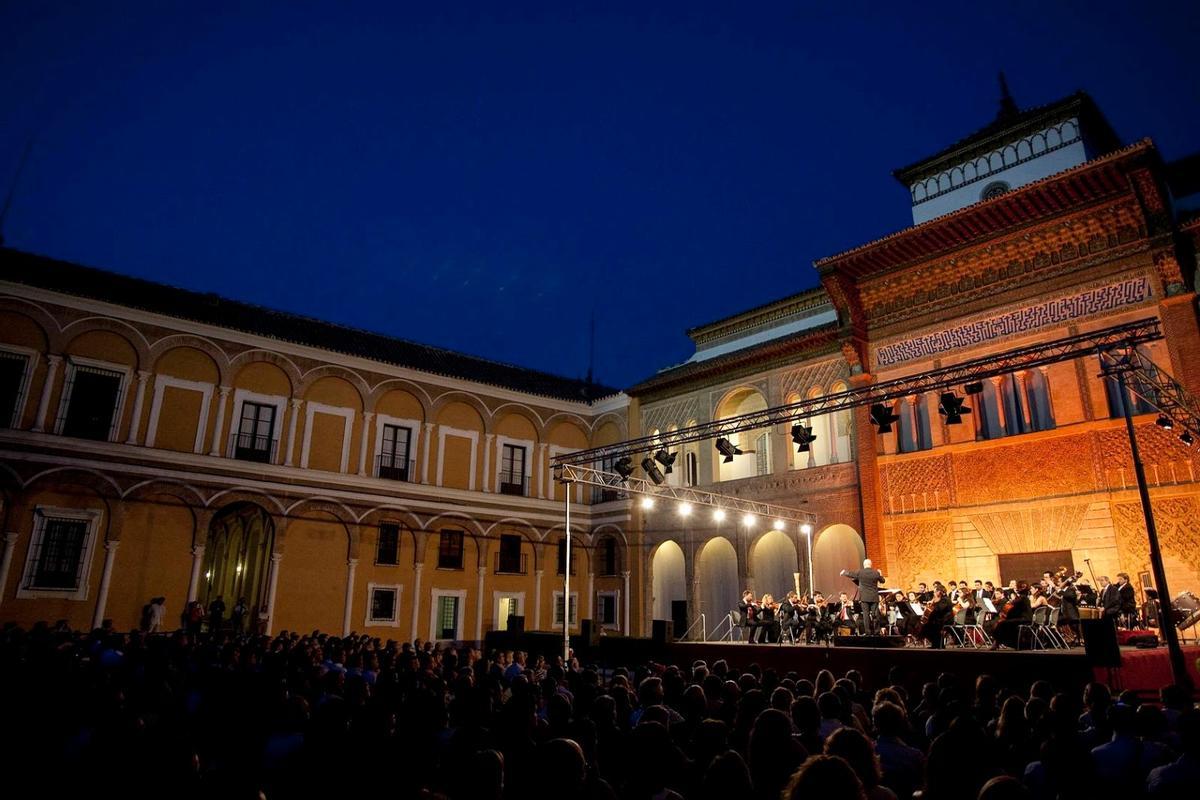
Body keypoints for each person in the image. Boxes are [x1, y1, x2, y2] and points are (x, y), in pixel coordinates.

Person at [840, 559, 885, 635]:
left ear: (864, 565)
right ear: (871, 564)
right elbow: (882, 581)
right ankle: (877, 631)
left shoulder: (860, 572)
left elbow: (851, 574)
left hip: (864, 598)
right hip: (874, 597)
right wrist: (880, 574)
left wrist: (844, 572)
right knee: (875, 615)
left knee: (866, 615)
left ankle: (868, 632)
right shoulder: (876, 573)